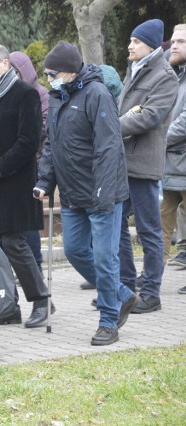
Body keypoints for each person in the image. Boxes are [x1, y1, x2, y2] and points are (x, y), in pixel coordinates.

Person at [35, 41, 138, 346]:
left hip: (102, 192)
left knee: (105, 259)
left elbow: (109, 147)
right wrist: (44, 181)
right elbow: (53, 145)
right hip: (72, 192)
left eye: (52, 73)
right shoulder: (57, 97)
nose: (48, 78)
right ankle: (122, 294)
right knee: (75, 250)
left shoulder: (97, 94)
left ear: (68, 71)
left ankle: (108, 321)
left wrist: (104, 191)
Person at [0, 43, 52, 328]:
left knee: (15, 244)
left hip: (15, 182)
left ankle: (41, 300)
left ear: (6, 64)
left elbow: (29, 140)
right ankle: (8, 307)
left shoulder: (25, 94)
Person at [118, 19, 178, 313]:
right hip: (123, 162)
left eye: (136, 41)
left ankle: (151, 292)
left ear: (151, 46)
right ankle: (126, 287)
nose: (130, 46)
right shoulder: (135, 68)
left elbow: (150, 117)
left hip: (143, 163)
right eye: (130, 40)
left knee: (149, 230)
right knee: (115, 223)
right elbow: (124, 109)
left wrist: (111, 128)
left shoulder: (163, 75)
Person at [9, 51, 50, 277]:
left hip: (34, 163)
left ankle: (35, 265)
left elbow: (42, 127)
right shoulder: (10, 95)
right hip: (16, 164)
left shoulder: (41, 95)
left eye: (15, 71)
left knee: (29, 221)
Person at [161, 23, 186, 283]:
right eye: (173, 40)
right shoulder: (174, 76)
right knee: (160, 226)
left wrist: (159, 139)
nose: (174, 45)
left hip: (180, 159)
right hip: (169, 165)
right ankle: (151, 282)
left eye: (181, 41)